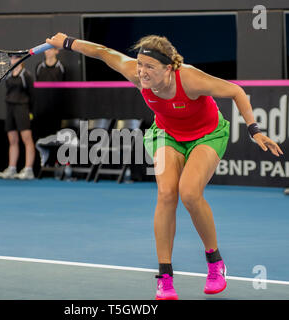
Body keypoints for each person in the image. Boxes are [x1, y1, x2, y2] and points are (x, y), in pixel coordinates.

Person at [45, 33, 283, 300]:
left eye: (150, 67)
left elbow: (236, 91)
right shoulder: (136, 75)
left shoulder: (189, 78)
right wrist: (66, 42)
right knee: (166, 194)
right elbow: (102, 51)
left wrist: (254, 130)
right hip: (167, 134)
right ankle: (165, 276)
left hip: (207, 134)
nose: (142, 72)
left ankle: (215, 262)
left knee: (190, 193)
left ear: (168, 68)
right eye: (139, 64)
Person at [0, 55, 35, 180]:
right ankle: (12, 168)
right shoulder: (8, 75)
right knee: (12, 140)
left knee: (27, 139)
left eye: (16, 58)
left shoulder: (26, 75)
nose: (13, 60)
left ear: (21, 60)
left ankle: (28, 169)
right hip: (9, 108)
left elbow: (32, 95)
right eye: (11, 58)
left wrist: (31, 112)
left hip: (22, 108)